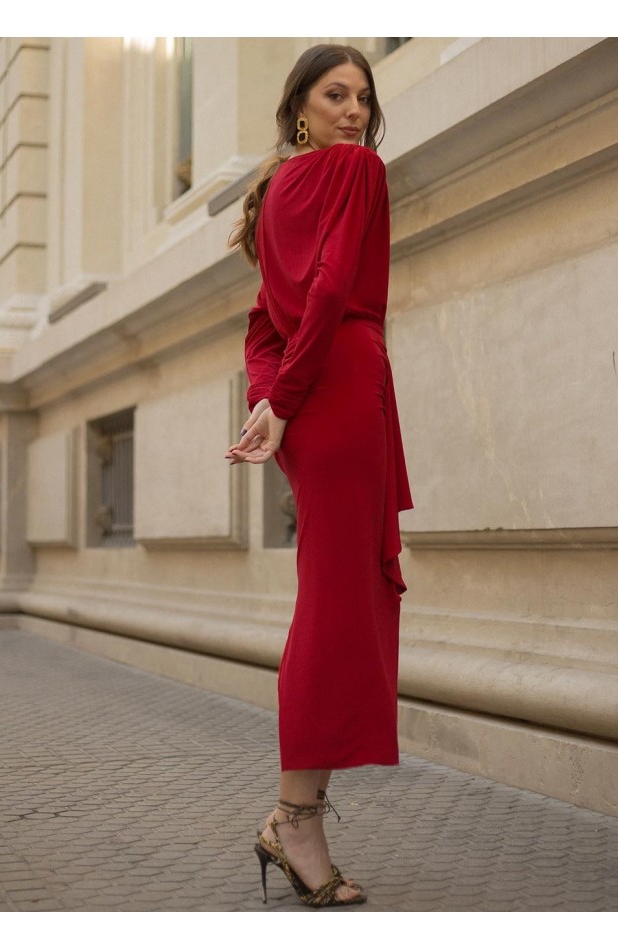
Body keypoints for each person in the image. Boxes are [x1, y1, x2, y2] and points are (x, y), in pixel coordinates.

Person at [225, 43, 413, 909]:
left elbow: (262, 327)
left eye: (363, 98)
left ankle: (295, 816)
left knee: (330, 602)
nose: (353, 110)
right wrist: (289, 401)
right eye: (334, 94)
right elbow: (332, 288)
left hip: (311, 405)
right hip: (336, 393)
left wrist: (269, 403)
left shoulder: (272, 193)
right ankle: (294, 819)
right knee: (338, 607)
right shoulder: (357, 172)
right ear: (299, 105)